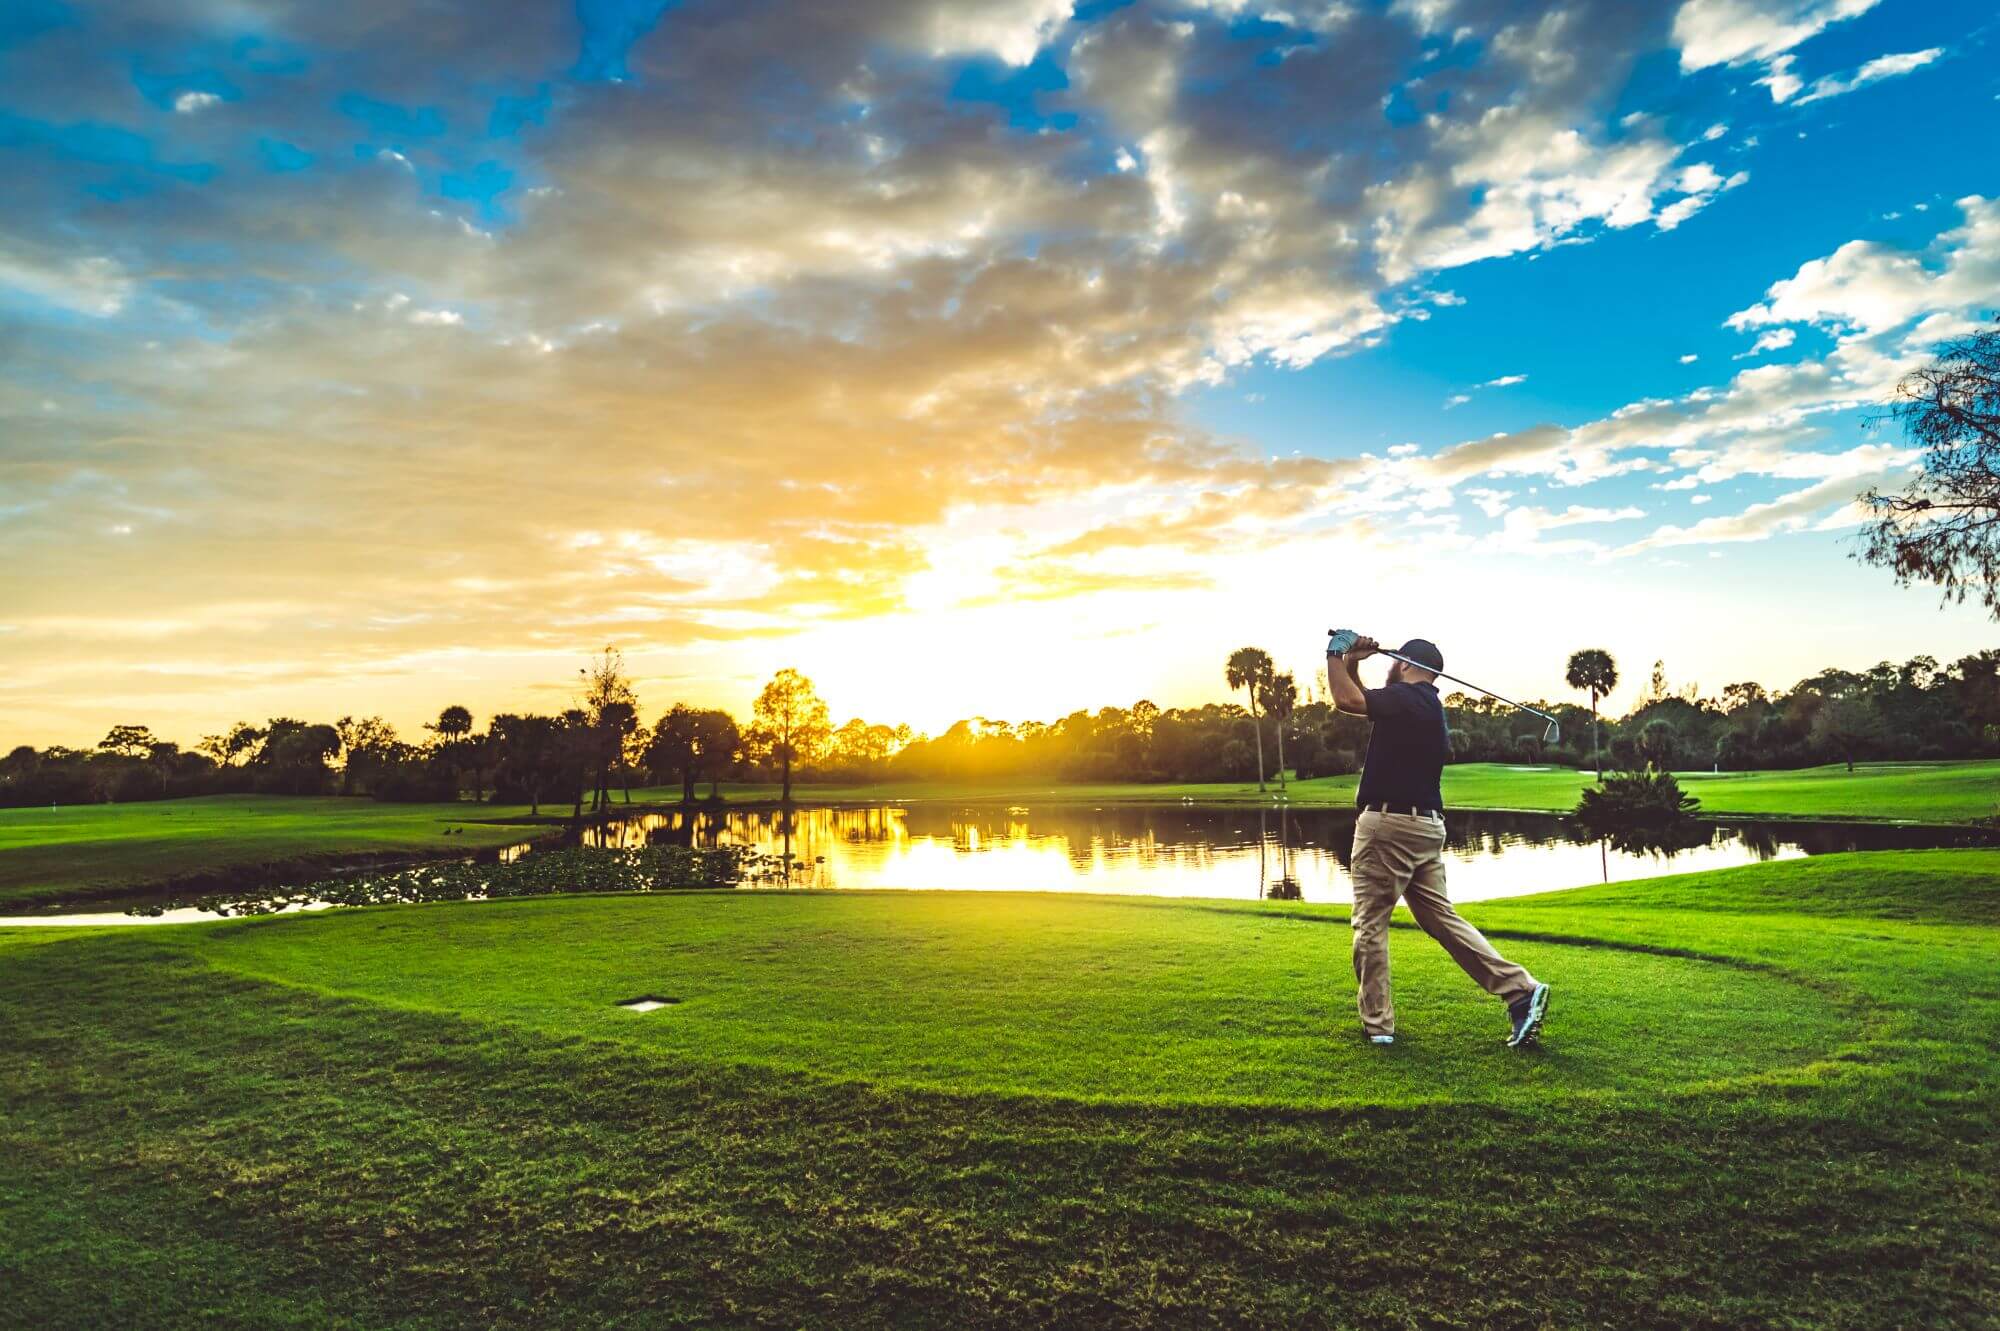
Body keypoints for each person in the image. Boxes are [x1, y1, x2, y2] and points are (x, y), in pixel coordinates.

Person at [1326, 633, 1549, 1048]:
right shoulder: (1423, 704)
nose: (1390, 665)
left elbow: (1348, 702)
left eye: (1395, 660)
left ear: (1407, 664)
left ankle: (1378, 1027)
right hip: (1423, 829)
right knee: (1439, 919)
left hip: (1388, 827)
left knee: (1370, 924)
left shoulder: (1408, 698)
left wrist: (1336, 653)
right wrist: (1355, 665)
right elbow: (1363, 700)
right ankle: (1520, 991)